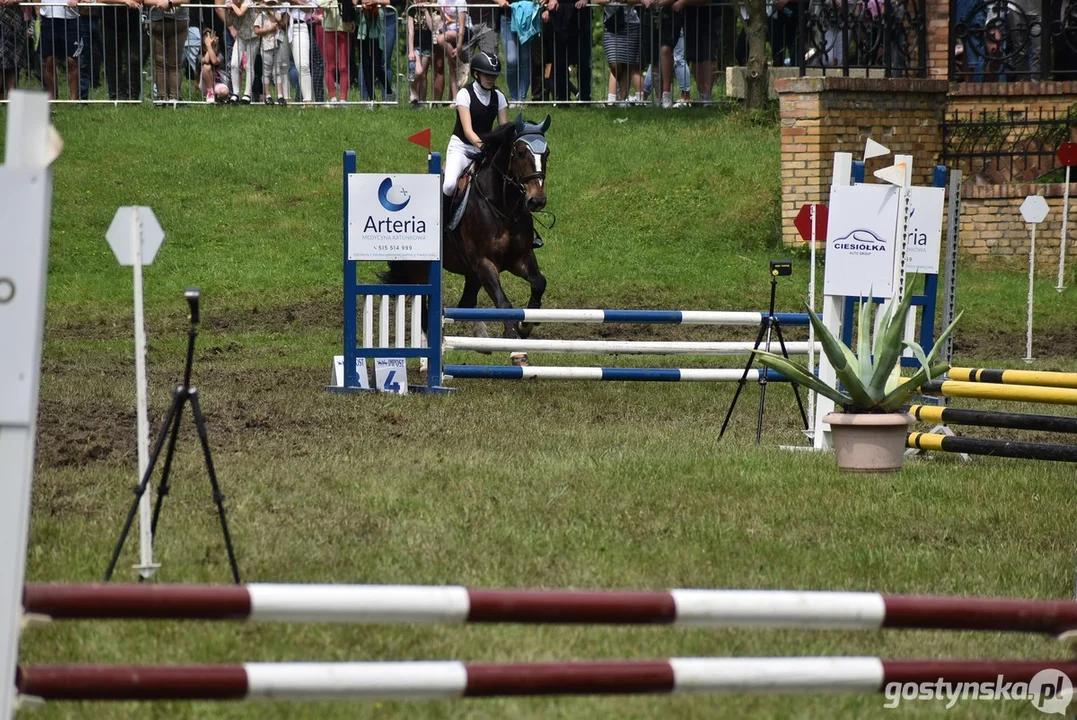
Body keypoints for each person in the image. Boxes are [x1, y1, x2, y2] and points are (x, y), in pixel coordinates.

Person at [443, 52, 543, 248]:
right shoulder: (464, 94)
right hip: (462, 148)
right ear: (476, 74)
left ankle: (528, 232)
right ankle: (444, 227)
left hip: (487, 149)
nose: (491, 78)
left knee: (513, 181)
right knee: (448, 185)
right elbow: (469, 131)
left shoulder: (499, 97)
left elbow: (504, 128)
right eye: (487, 74)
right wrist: (485, 148)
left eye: (494, 75)